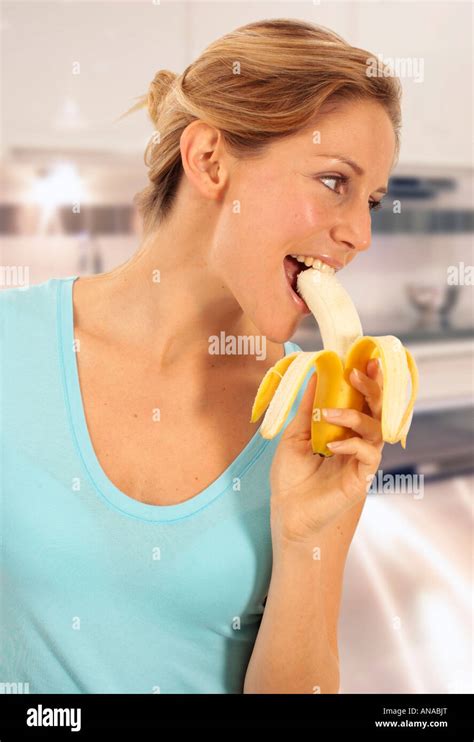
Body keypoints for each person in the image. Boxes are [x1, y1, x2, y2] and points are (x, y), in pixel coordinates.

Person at [0, 18, 399, 694]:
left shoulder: (312, 419)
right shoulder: (11, 344)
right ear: (210, 159)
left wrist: (305, 541)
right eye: (335, 182)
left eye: (373, 203)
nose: (358, 233)